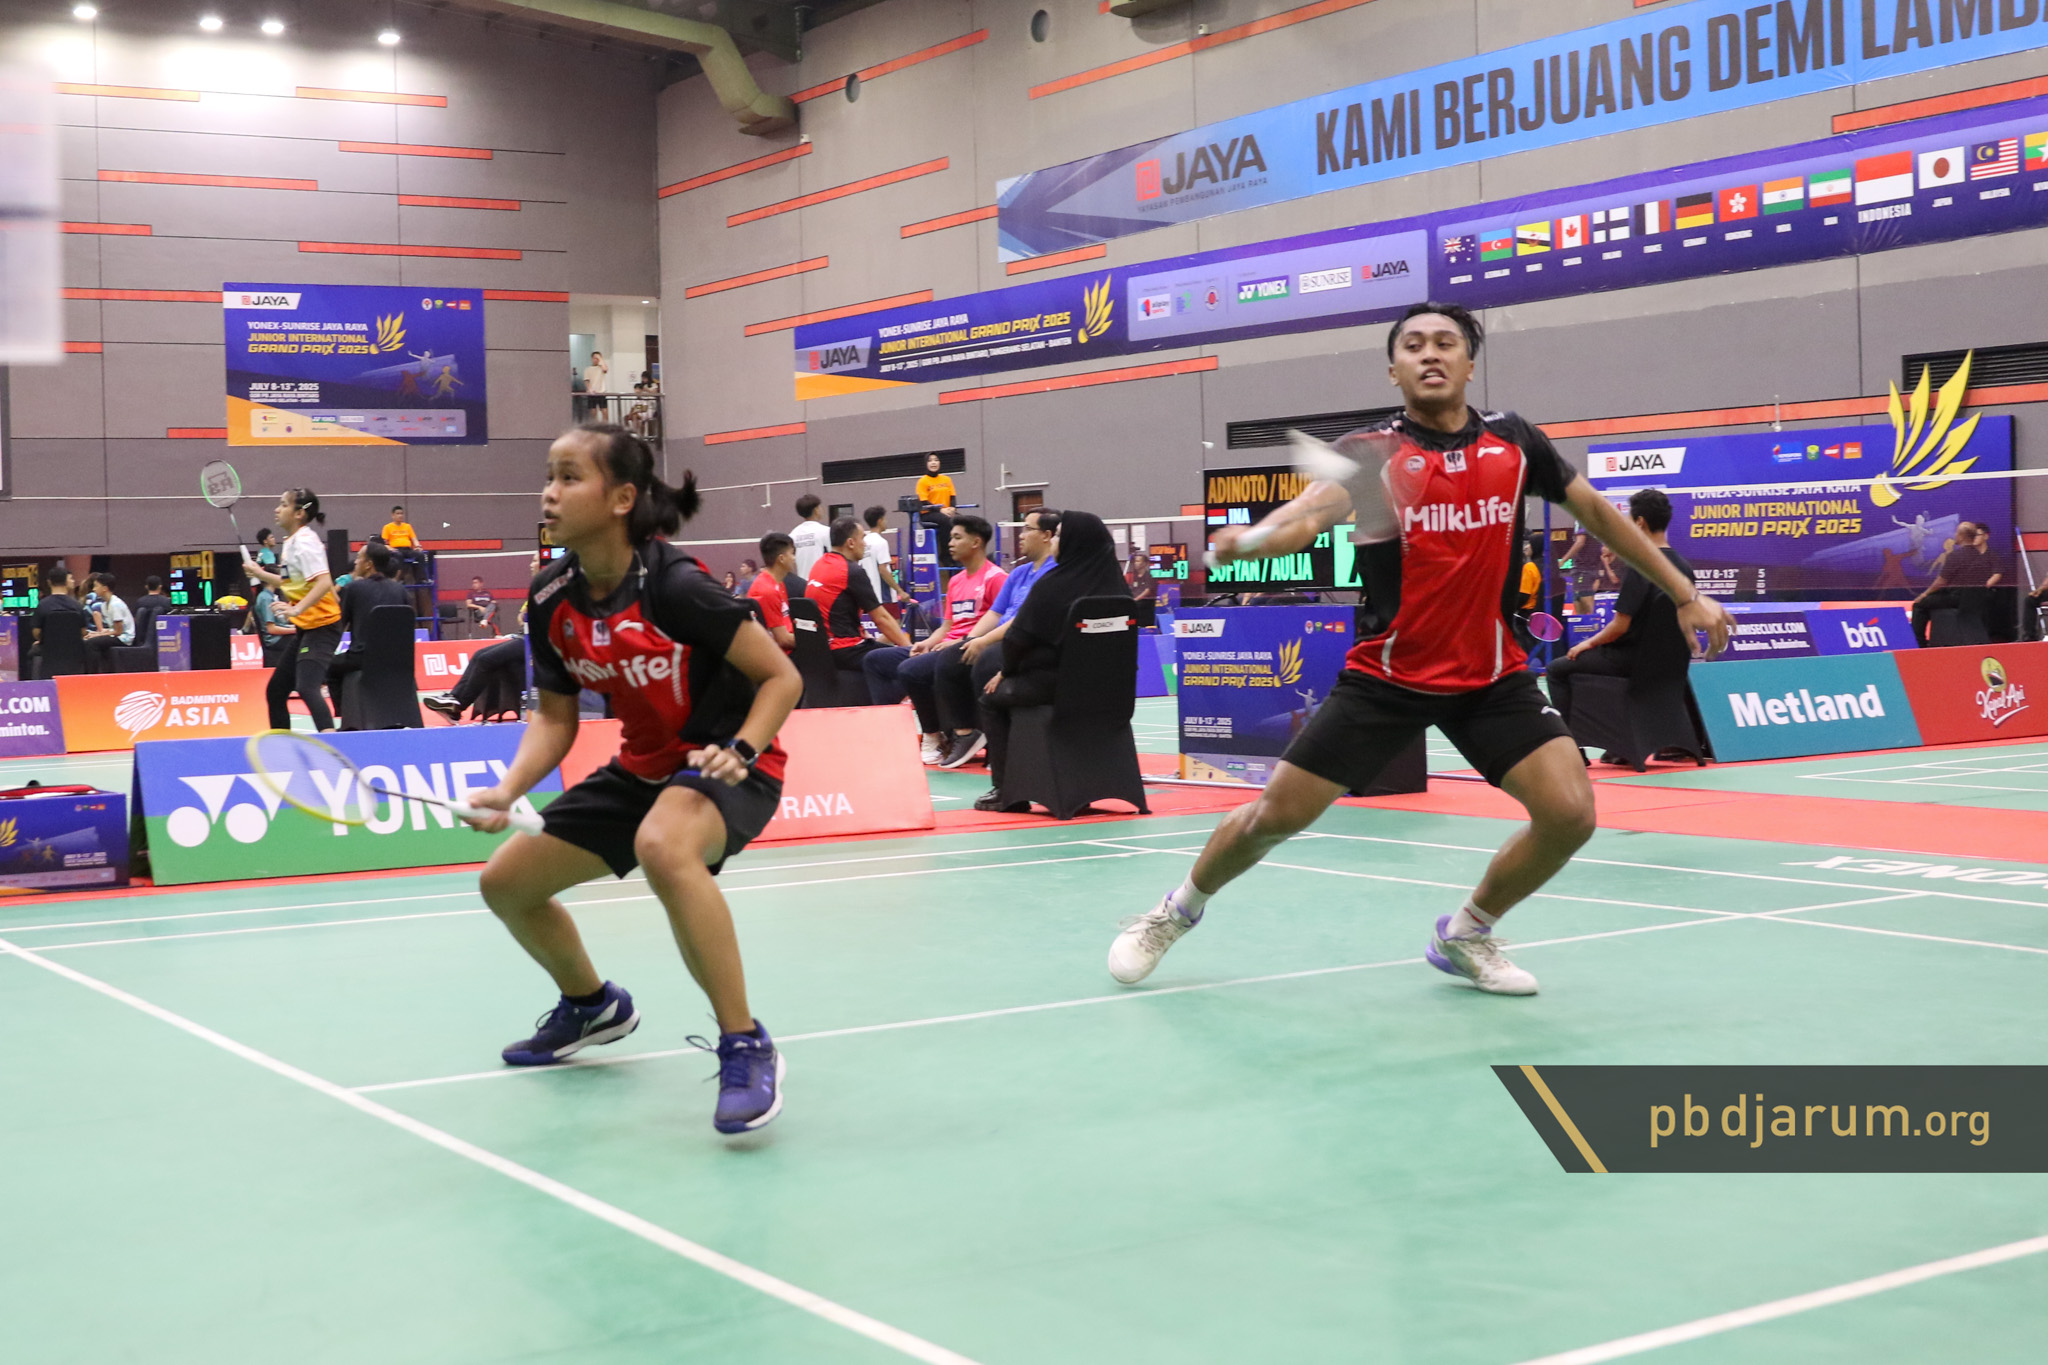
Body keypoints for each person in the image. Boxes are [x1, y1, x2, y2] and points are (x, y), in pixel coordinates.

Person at [1105, 301, 1730, 996]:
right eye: (1413, 345)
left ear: (1469, 363)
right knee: (1271, 818)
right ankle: (1174, 912)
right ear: (1393, 370)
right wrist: (1252, 540)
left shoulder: (1515, 442)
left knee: (1570, 814)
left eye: (1445, 342)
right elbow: (1309, 515)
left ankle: (1466, 933)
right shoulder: (1373, 453)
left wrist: (1683, 592)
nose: (1430, 353)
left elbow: (1599, 515)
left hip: (1490, 675)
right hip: (1389, 676)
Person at [460, 424, 802, 1135]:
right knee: (506, 883)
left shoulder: (675, 586)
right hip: (643, 768)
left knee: (663, 846)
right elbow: (555, 719)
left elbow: (781, 676)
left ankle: (745, 1041)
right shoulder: (552, 596)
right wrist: (509, 788)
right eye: (549, 477)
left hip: (726, 763)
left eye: (569, 477)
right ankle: (592, 1005)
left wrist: (741, 746)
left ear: (621, 498)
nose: (549, 494)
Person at [975, 512, 1129, 812]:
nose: (1054, 540)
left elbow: (1016, 639)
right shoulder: (1118, 589)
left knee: (990, 698)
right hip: (1113, 692)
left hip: (1058, 689)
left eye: (1058, 535)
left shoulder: (1053, 585)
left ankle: (1008, 791)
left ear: (1072, 542)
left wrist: (1007, 672)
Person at [1543, 489, 1697, 732]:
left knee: (1556, 669)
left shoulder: (1641, 566)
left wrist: (1587, 643)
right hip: (1669, 662)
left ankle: (1571, 743)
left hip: (1631, 660)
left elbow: (1620, 626)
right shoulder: (1684, 567)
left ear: (1640, 522)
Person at [863, 515, 1005, 766]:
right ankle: (890, 733)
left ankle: (934, 735)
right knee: (875, 659)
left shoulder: (996, 578)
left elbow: (1000, 621)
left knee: (911, 670)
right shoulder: (956, 581)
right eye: (951, 537)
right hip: (943, 645)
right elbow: (947, 626)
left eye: (957, 537)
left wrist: (958, 642)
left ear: (976, 542)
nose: (950, 543)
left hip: (967, 648)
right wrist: (927, 642)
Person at [939, 507, 1058, 781]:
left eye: (1027, 529)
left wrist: (983, 642)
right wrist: (971, 640)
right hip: (1001, 637)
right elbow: (996, 613)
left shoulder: (1053, 573)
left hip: (1025, 642)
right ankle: (962, 734)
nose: (1021, 535)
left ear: (1046, 535)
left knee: (983, 663)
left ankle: (997, 746)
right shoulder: (1019, 572)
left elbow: (1024, 620)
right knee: (949, 660)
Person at [243, 488, 343, 732]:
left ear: (299, 513)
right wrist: (259, 573)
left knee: (307, 687)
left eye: (283, 505)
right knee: (276, 690)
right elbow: (289, 582)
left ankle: (332, 743)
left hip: (323, 626)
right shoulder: (292, 542)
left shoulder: (305, 542)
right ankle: (283, 744)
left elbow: (324, 582)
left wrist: (296, 609)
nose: (277, 509)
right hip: (307, 628)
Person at [809, 516, 912, 675]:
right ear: (851, 543)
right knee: (908, 662)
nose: (865, 543)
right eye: (863, 538)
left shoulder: (819, 565)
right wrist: (910, 650)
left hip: (824, 648)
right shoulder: (851, 571)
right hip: (846, 651)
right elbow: (881, 619)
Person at [324, 543, 412, 725]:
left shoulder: (353, 589)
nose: (355, 562)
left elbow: (339, 625)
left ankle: (346, 719)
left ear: (368, 564)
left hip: (363, 658)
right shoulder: (400, 590)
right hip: (398, 660)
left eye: (359, 558)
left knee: (330, 667)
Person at [1911, 521, 2002, 644]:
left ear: (1961, 536)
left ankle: (1918, 643)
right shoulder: (1982, 557)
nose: (1955, 535)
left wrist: (1924, 594)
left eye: (1957, 533)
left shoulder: (1955, 556)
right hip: (1976, 599)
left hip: (1956, 599)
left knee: (1919, 605)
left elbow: (1941, 581)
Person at [28, 565, 93, 670]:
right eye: (71, 578)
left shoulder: (42, 605)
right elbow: (83, 632)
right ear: (66, 581)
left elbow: (36, 633)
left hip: (49, 653)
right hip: (74, 654)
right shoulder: (77, 605)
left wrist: (46, 639)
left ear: (49, 582)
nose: (73, 581)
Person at [747, 533, 797, 651]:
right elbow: (783, 640)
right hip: (782, 656)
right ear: (781, 558)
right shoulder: (767, 591)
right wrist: (814, 641)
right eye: (792, 553)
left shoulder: (778, 583)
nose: (794, 558)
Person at [82, 572, 134, 671]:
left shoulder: (115, 605)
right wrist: (97, 633)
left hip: (124, 638)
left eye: (96, 586)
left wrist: (99, 635)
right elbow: (112, 629)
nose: (94, 589)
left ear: (105, 588)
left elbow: (118, 631)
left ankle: (93, 673)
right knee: (88, 639)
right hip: (117, 635)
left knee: (91, 644)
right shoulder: (104, 605)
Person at [915, 453, 957, 566]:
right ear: (926, 464)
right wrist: (941, 510)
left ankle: (960, 555)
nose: (933, 463)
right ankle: (946, 555)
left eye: (936, 460)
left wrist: (952, 508)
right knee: (947, 521)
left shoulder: (946, 479)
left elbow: (952, 496)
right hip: (929, 513)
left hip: (946, 511)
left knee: (962, 521)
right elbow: (924, 501)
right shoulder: (923, 481)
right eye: (930, 460)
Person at [861, 506, 905, 611]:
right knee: (894, 621)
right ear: (880, 521)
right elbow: (883, 570)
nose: (886, 522)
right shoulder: (881, 542)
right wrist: (900, 591)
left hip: (868, 595)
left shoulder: (863, 542)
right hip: (883, 596)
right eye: (885, 519)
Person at [789, 493, 830, 580]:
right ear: (816, 510)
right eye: (820, 507)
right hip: (821, 582)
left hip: (802, 582)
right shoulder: (826, 531)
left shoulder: (793, 534)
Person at [382, 505, 424, 581]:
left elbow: (414, 539)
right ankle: (399, 579)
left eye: (401, 513)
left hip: (407, 549)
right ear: (393, 515)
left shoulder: (408, 526)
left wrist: (418, 546)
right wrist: (390, 548)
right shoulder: (387, 527)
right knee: (399, 556)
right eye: (398, 513)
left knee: (420, 555)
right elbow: (384, 543)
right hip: (395, 550)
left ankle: (421, 579)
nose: (400, 515)